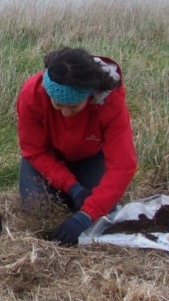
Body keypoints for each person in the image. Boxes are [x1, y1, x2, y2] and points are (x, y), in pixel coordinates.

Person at [17, 46, 137, 246]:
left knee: (102, 211)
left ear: (89, 95)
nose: (65, 113)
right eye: (57, 105)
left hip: (89, 158)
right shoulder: (32, 94)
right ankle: (68, 193)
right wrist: (72, 187)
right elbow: (35, 150)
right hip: (45, 159)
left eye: (74, 106)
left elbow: (123, 165)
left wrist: (87, 215)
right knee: (37, 210)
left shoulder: (110, 103)